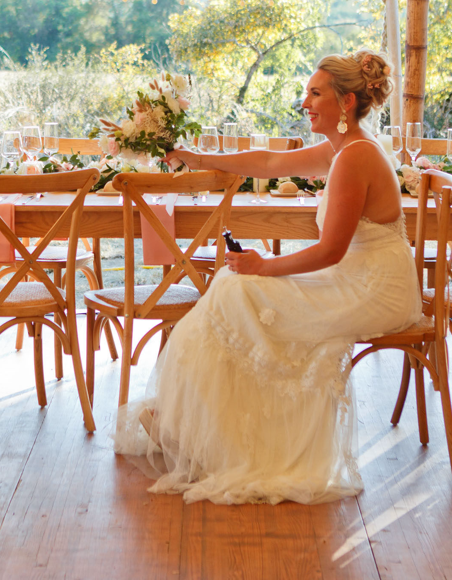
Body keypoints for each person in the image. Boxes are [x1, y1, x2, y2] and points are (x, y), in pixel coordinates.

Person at [114, 49, 421, 505]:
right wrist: (197, 158)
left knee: (241, 289)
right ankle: (195, 430)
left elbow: (331, 250)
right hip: (354, 276)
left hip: (373, 287)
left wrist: (263, 265)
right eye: (306, 93)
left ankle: (206, 436)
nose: (305, 102)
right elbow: (272, 164)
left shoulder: (356, 155)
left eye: (315, 93)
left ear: (346, 103)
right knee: (232, 287)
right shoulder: (346, 147)